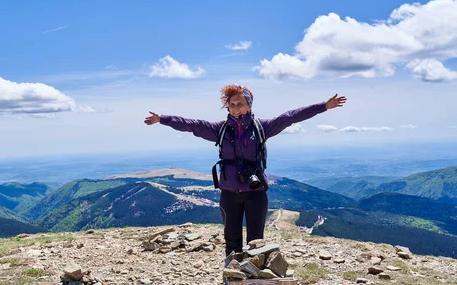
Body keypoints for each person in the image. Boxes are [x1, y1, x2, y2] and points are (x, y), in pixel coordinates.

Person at [144, 84, 346, 258]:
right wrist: (163, 119)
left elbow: (290, 117)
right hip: (229, 193)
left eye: (240, 104)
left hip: (255, 193)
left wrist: (323, 106)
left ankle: (252, 283)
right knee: (231, 239)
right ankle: (231, 282)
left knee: (255, 241)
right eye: (231, 104)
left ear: (250, 105)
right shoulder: (220, 129)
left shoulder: (262, 127)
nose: (235, 108)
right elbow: (192, 125)